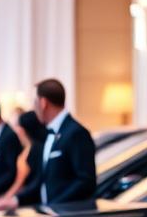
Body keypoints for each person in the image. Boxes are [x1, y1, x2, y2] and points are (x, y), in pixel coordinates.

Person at [22, 78, 96, 206]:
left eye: (35, 103)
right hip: (48, 213)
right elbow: (44, 181)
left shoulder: (76, 133)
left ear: (43, 103)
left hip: (67, 216)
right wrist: (16, 200)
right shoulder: (50, 133)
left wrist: (55, 206)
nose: (33, 108)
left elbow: (85, 181)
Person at [0, 110, 47, 211]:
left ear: (23, 129)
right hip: (25, 197)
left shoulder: (36, 149)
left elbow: (20, 182)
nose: (15, 130)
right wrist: (6, 198)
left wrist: (8, 198)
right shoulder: (28, 148)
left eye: (17, 126)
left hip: (31, 202)